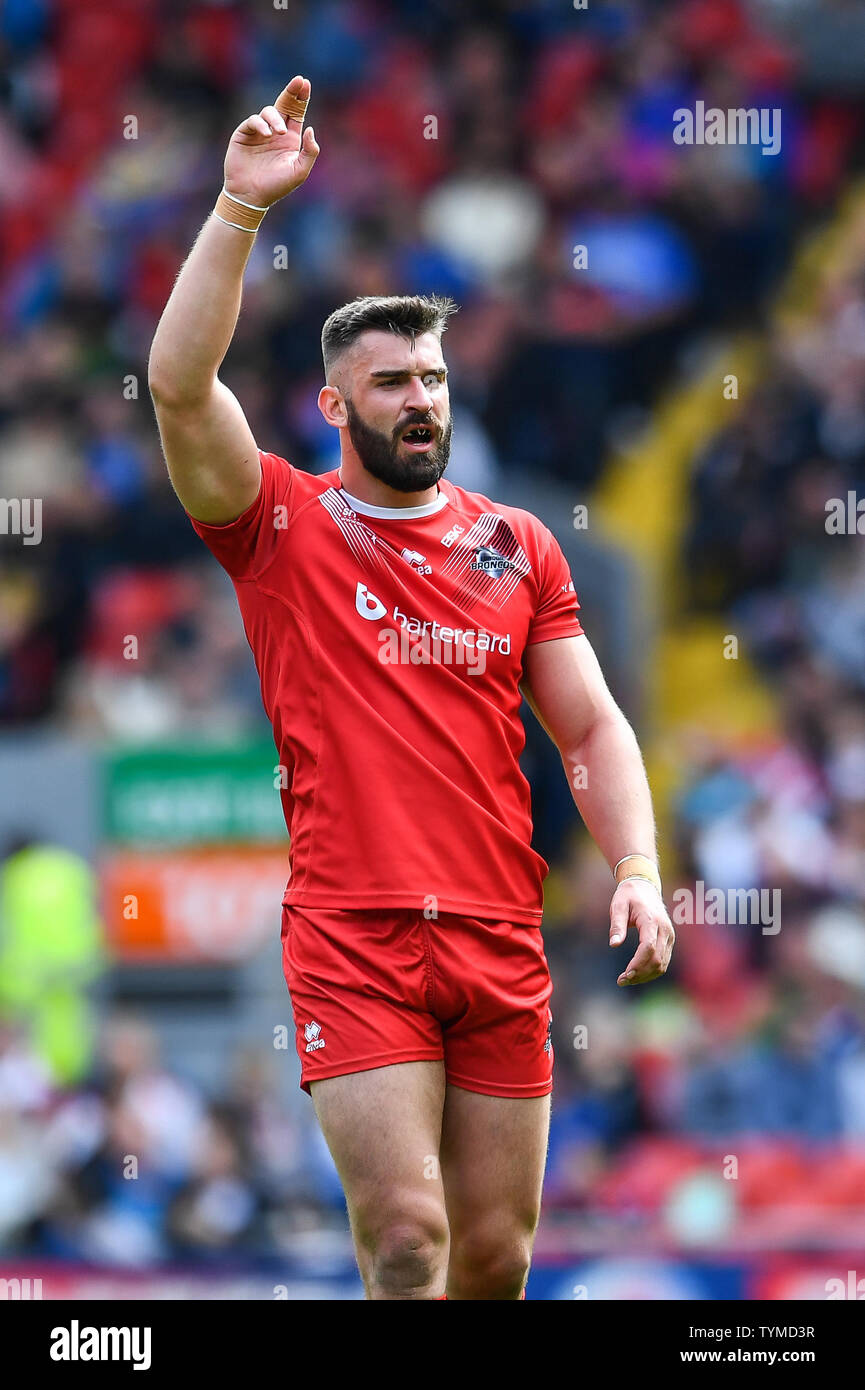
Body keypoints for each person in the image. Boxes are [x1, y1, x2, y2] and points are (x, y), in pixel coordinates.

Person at [147, 76, 675, 1300]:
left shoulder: (519, 544)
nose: (419, 400)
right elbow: (178, 387)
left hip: (501, 930)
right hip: (355, 935)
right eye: (390, 384)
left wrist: (640, 869)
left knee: (496, 1259)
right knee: (405, 1239)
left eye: (431, 378)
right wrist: (236, 208)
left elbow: (589, 723)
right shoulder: (281, 523)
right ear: (335, 406)